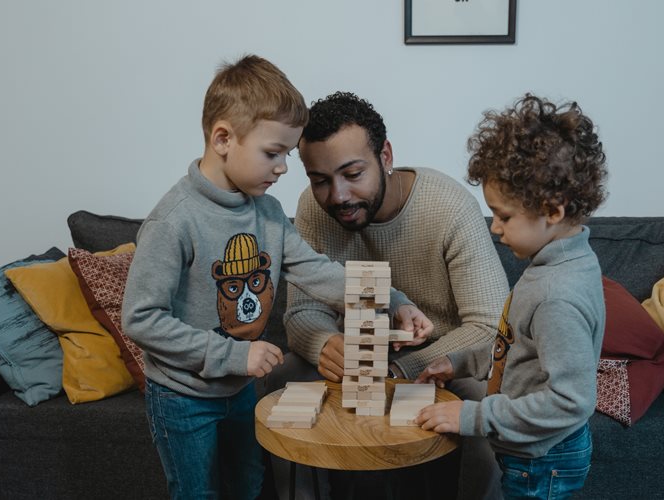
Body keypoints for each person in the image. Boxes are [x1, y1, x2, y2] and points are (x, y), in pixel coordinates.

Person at [121, 56, 432, 500]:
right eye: (273, 153)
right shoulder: (174, 222)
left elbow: (315, 271)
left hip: (241, 388)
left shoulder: (266, 213)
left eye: (286, 155)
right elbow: (141, 320)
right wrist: (234, 357)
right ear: (223, 138)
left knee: (249, 485)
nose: (284, 168)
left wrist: (393, 298)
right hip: (183, 397)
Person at [270, 91, 510, 499]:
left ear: (386, 156)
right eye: (320, 180)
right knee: (282, 383)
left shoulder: (448, 207)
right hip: (354, 357)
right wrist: (324, 343)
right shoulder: (314, 208)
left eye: (352, 174)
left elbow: (490, 326)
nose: (338, 196)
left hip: (442, 360)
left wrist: (404, 368)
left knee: (487, 409)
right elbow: (300, 313)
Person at [415, 94, 609, 500]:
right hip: (531, 450)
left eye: (504, 216)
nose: (494, 229)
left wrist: (472, 415)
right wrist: (460, 362)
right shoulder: (551, 266)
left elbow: (571, 401)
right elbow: (518, 345)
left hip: (543, 458)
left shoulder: (558, 295)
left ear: (552, 211)